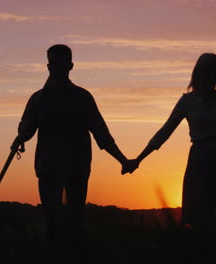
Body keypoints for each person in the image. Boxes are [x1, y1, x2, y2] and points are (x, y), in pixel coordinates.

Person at [124, 53, 216, 232]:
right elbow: (165, 131)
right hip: (201, 160)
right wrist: (138, 159)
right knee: (202, 215)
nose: (209, 77)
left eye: (213, 73)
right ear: (198, 74)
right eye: (205, 72)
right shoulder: (187, 101)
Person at [10, 44, 129, 244]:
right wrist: (20, 137)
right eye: (53, 63)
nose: (56, 68)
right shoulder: (38, 99)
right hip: (47, 166)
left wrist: (122, 160)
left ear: (70, 65)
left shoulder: (82, 98)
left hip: (76, 167)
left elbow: (101, 134)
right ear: (48, 66)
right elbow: (26, 131)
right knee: (51, 219)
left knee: (75, 219)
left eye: (61, 63)